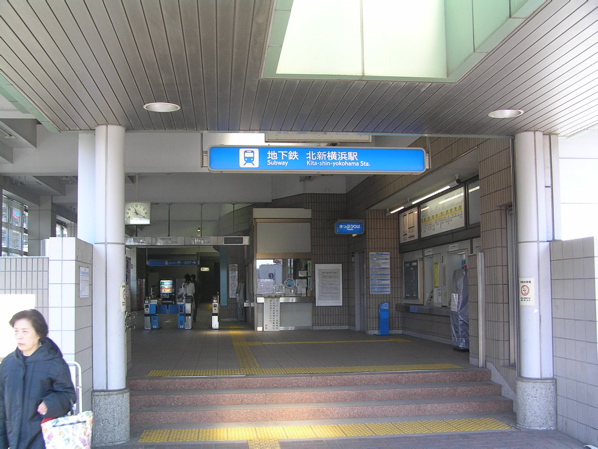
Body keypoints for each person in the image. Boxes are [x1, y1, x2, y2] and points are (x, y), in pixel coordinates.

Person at [0, 309, 76, 449]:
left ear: (39, 334)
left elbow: (68, 395)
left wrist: (50, 403)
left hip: (43, 439)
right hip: (13, 438)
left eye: (25, 332)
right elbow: (1, 404)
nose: (19, 337)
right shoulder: (8, 363)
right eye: (16, 331)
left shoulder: (55, 363)